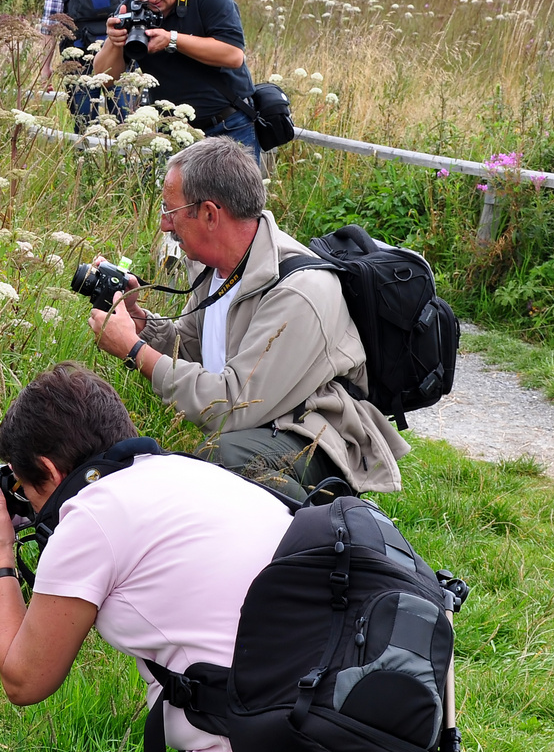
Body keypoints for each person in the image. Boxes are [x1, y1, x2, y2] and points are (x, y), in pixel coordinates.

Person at [0, 362, 347, 752]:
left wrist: (0, 558)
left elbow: (24, 680)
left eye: (25, 488)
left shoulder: (91, 514)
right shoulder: (185, 470)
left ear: (48, 469)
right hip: (340, 728)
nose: (28, 504)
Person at [87, 136, 409, 496]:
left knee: (222, 457)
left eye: (169, 210)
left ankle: (319, 532)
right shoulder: (215, 268)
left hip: (314, 438)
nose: (164, 225)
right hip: (262, 426)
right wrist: (141, 324)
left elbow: (229, 407)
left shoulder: (299, 292)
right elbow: (196, 348)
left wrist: (133, 350)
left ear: (209, 213)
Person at [91, 0, 261, 159]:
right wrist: (114, 41)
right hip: (173, 132)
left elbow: (233, 55)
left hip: (228, 126)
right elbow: (103, 79)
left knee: (235, 195)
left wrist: (172, 39)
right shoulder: (132, 9)